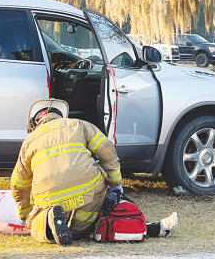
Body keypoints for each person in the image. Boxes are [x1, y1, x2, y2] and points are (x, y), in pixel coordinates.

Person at [10, 99, 175, 246]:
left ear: (35, 123)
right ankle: (146, 227)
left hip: (51, 200)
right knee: (102, 215)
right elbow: (108, 153)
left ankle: (50, 221)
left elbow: (18, 184)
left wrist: (26, 214)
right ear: (61, 116)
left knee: (34, 224)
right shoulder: (79, 125)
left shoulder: (29, 142)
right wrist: (115, 186)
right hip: (88, 193)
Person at [0, 188, 178, 239]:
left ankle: (145, 224)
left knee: (101, 198)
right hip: (46, 210)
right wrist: (33, 229)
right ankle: (151, 228)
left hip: (46, 194)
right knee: (98, 208)